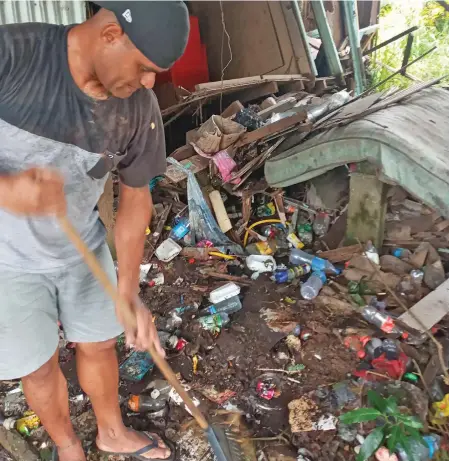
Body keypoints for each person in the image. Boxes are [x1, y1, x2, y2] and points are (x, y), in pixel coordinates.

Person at [0, 2, 189, 460]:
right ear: (109, 35)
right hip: (8, 261)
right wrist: (7, 191)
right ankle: (68, 447)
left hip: (81, 245)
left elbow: (136, 198)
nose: (149, 83)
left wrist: (127, 291)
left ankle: (111, 432)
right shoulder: (13, 56)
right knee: (39, 367)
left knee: (101, 342)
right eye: (145, 68)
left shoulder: (138, 109)